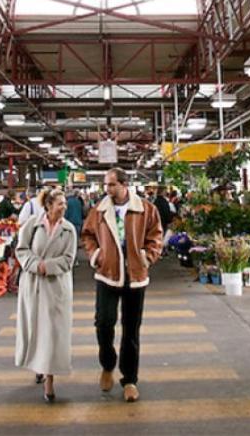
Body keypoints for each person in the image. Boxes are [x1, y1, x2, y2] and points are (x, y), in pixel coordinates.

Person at [80, 167, 164, 403]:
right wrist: (96, 255)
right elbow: (87, 234)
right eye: (106, 185)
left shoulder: (146, 209)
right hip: (107, 275)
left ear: (124, 184)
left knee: (131, 330)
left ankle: (129, 380)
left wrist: (147, 257)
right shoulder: (99, 211)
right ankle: (107, 365)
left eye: (111, 185)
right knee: (103, 323)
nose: (107, 189)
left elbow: (156, 235)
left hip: (135, 278)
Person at [15, 187, 78, 403]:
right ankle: (37, 366)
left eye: (65, 204)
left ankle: (50, 381)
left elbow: (69, 259)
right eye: (60, 204)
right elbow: (21, 250)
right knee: (35, 329)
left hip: (56, 287)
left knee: (53, 333)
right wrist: (35, 265)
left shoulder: (69, 230)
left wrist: (47, 266)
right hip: (32, 285)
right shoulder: (32, 225)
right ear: (49, 206)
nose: (64, 207)